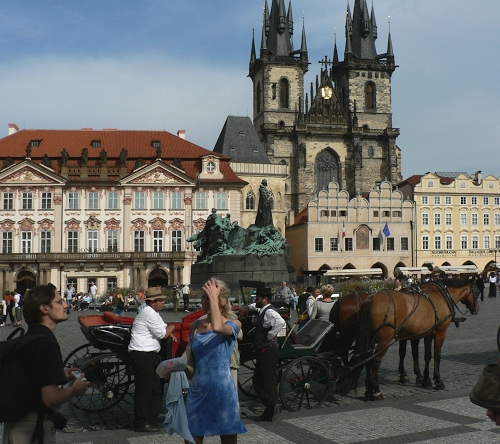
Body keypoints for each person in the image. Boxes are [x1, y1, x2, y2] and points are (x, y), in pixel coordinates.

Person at [2, 283, 89, 443]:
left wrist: (58, 376)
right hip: (32, 430)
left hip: (15, 427)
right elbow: (51, 398)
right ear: (44, 308)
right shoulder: (46, 344)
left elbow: (31, 378)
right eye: (59, 301)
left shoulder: (30, 338)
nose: (65, 305)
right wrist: (74, 390)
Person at [185, 278, 247, 443]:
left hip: (223, 392)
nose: (206, 302)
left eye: (211, 297)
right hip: (198, 390)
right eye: (204, 297)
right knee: (191, 438)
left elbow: (218, 328)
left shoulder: (234, 324)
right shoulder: (195, 326)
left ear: (223, 301)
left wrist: (213, 297)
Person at [128, 287, 177, 433]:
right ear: (153, 302)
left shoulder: (153, 313)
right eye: (160, 300)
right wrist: (173, 327)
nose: (163, 302)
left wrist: (169, 331)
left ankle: (151, 418)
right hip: (143, 353)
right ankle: (141, 422)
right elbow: (163, 333)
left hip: (149, 354)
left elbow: (162, 328)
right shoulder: (149, 313)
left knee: (156, 388)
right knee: (145, 390)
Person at [241, 287, 285, 422]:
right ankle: (271, 406)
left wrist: (270, 335)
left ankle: (272, 405)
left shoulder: (269, 311)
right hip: (264, 349)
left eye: (258, 298)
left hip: (267, 349)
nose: (256, 300)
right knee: (259, 381)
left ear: (265, 299)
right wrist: (248, 307)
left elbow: (280, 322)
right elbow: (255, 306)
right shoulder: (264, 309)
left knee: (266, 380)